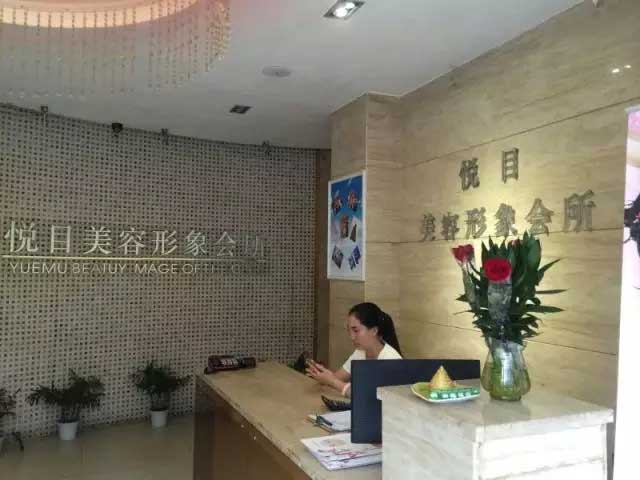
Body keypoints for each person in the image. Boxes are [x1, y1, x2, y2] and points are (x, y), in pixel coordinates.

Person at [306, 303, 402, 397]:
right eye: (349, 331)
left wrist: (332, 381)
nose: (352, 337)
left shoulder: (391, 360)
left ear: (374, 331)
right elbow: (338, 378)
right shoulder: (360, 352)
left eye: (356, 331)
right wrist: (322, 374)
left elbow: (369, 396)